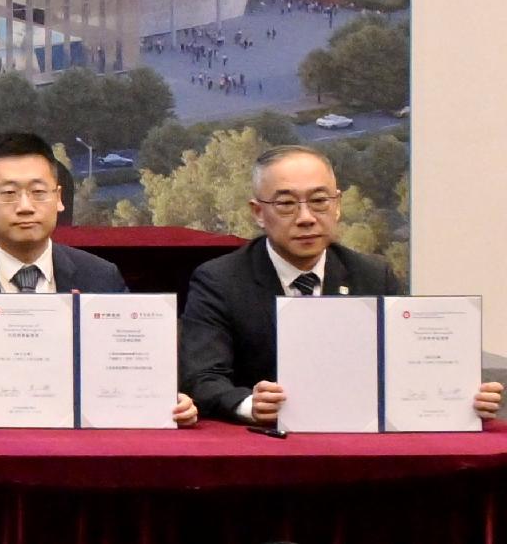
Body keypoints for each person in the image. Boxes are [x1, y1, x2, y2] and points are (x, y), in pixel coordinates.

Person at [178, 143, 503, 427]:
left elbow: (410, 368)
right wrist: (250, 405)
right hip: (267, 446)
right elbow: (203, 378)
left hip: (359, 438)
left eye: (319, 201)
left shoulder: (373, 275)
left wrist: (457, 396)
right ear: (258, 212)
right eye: (287, 204)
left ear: (337, 204)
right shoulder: (219, 280)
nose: (306, 217)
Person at [0, 131, 194, 427]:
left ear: (59, 198)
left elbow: (131, 370)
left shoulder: (100, 276)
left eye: (39, 192)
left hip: (82, 449)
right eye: (8, 193)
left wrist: (163, 399)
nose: (25, 206)